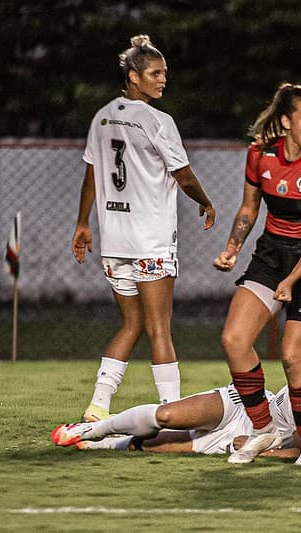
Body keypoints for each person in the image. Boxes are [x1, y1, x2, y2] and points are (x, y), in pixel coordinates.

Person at [72, 35, 215, 422]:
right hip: (150, 242)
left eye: (164, 73)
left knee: (131, 323)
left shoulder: (102, 116)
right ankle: (174, 412)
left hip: (115, 243)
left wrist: (84, 223)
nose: (162, 80)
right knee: (159, 328)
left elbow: (92, 173)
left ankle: (98, 405)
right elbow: (183, 176)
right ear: (133, 76)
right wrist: (204, 201)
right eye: (155, 73)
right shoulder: (158, 121)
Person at [212, 83, 301, 467]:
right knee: (234, 340)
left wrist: (290, 283)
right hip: (271, 256)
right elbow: (248, 209)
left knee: (292, 354)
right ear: (286, 120)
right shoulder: (260, 156)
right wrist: (232, 249)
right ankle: (263, 428)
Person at [51, 326, 301, 458]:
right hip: (246, 407)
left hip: (245, 437)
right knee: (167, 415)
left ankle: (104, 446)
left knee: (158, 446)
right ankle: (91, 429)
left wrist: (266, 452)